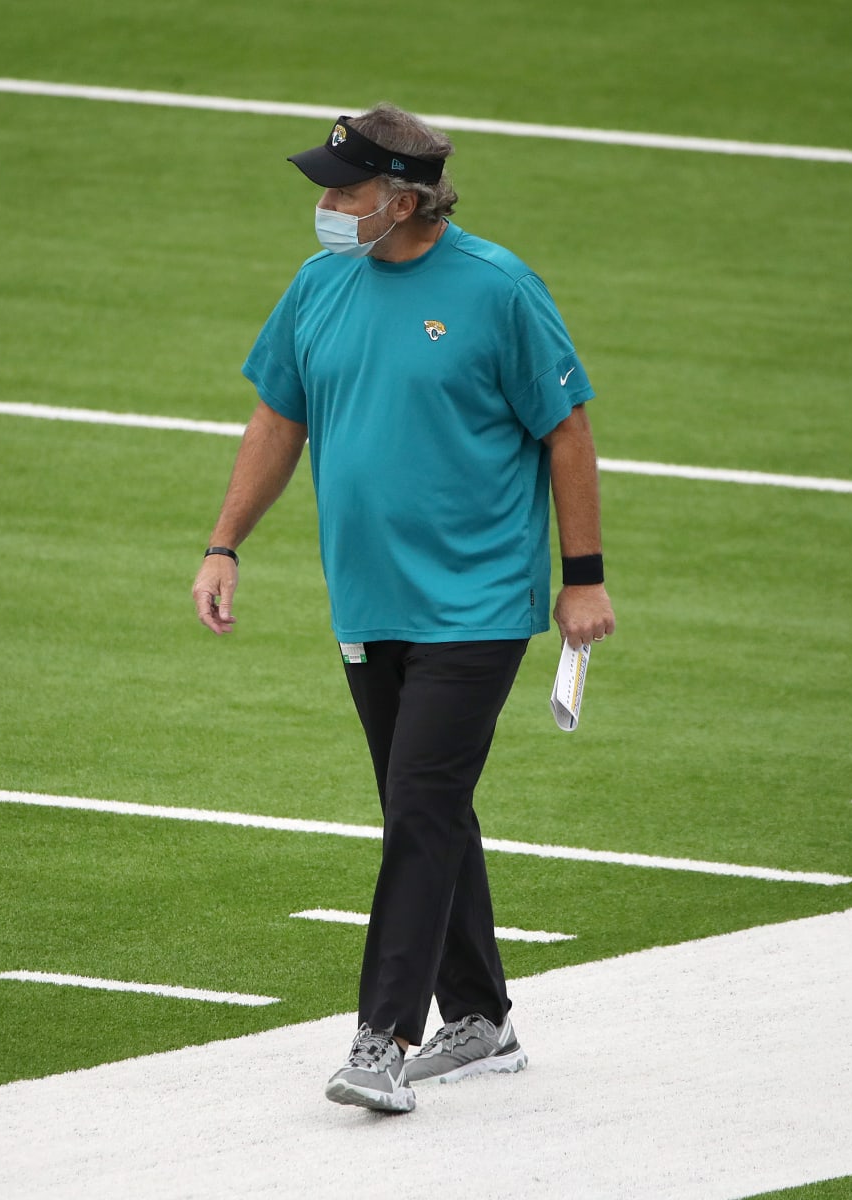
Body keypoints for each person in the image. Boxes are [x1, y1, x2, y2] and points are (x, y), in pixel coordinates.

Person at [191, 103, 615, 1114]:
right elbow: (277, 417)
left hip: (476, 604)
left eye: (345, 190)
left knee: (419, 806)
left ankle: (383, 1038)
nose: (327, 206)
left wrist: (583, 575)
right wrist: (223, 542)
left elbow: (567, 430)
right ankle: (483, 1019)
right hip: (369, 600)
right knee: (424, 806)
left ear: (408, 197)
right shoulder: (318, 284)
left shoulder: (498, 290)